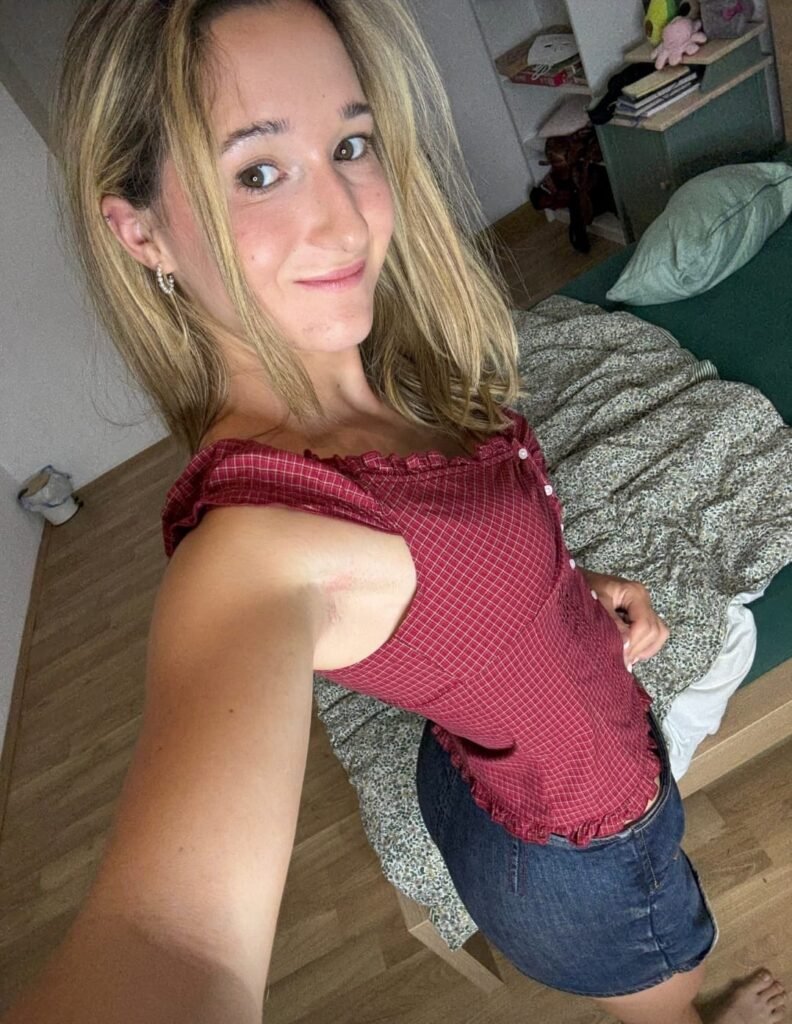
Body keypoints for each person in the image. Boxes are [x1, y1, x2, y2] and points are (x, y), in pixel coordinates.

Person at [2, 1, 786, 1022]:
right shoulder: (257, 546)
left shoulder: (386, 380)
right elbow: (171, 941)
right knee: (670, 995)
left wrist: (565, 592)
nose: (343, 219)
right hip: (583, 854)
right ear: (140, 231)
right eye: (257, 171)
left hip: (486, 781)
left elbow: (450, 585)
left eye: (350, 145)